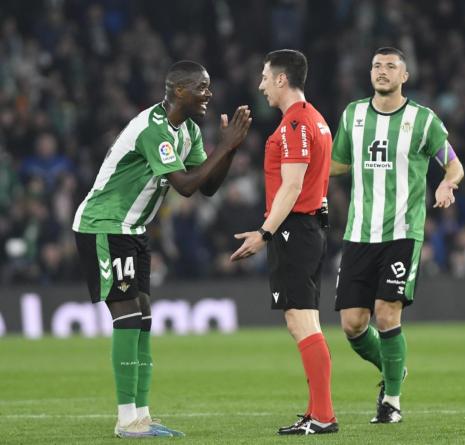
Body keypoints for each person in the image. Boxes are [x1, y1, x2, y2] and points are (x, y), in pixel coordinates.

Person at [72, 60, 252, 438]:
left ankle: (142, 415)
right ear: (179, 91)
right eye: (202, 87)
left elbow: (207, 187)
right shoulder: (153, 129)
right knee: (127, 315)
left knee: (144, 317)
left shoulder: (188, 131)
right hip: (104, 224)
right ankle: (126, 420)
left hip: (133, 228)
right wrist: (226, 144)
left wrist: (229, 150)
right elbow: (185, 185)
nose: (209, 94)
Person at [330, 47, 464, 424]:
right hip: (358, 233)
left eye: (391, 66)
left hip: (402, 233)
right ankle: (394, 368)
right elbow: (337, 164)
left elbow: (454, 166)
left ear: (405, 76)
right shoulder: (353, 114)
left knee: (387, 315)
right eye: (376, 65)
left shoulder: (424, 121)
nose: (382, 71)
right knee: (353, 325)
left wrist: (447, 185)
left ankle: (391, 400)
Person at [230, 49, 337, 435]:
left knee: (301, 322)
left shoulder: (295, 124)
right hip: (307, 229)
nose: (260, 85)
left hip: (295, 230)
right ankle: (317, 411)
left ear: (280, 79)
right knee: (306, 322)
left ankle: (323, 415)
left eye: (264, 77)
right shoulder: (316, 120)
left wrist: (265, 233)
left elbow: (292, 186)